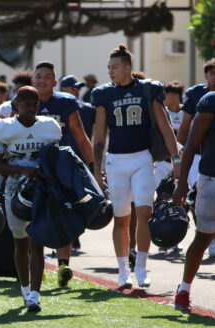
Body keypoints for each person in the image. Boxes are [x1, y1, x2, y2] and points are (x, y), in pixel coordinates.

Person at [91, 44, 179, 288]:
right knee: (121, 218)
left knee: (144, 213)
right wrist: (97, 171)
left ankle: (141, 266)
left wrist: (176, 159)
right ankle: (122, 270)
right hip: (116, 161)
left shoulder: (148, 89)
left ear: (127, 68)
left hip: (142, 158)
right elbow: (99, 136)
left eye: (115, 67)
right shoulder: (103, 94)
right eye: (108, 67)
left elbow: (165, 127)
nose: (110, 72)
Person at [0, 86, 62, 312]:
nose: (31, 108)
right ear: (16, 104)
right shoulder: (3, 127)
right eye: (26, 103)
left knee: (37, 242)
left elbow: (56, 159)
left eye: (35, 103)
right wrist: (23, 170)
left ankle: (35, 296)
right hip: (13, 190)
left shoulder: (49, 127)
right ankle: (24, 288)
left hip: (42, 190)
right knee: (20, 242)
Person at [31, 61, 94, 287]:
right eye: (38, 76)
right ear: (32, 79)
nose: (42, 80)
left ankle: (63, 265)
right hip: (32, 167)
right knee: (33, 217)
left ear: (55, 82)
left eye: (47, 77)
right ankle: (36, 265)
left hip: (61, 168)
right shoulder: (24, 100)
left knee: (63, 216)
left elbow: (80, 135)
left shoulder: (65, 102)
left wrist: (93, 167)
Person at [172, 91, 215, 312]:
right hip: (211, 178)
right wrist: (181, 184)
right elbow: (190, 145)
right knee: (203, 238)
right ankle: (184, 290)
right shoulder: (211, 101)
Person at [177, 58, 215, 257]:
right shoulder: (199, 95)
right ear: (206, 74)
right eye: (212, 72)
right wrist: (177, 155)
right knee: (194, 198)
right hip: (199, 157)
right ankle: (205, 233)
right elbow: (185, 127)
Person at [59, 75, 96, 250]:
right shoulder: (55, 106)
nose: (77, 90)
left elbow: (95, 135)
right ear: (62, 89)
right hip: (58, 160)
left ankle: (74, 234)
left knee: (78, 200)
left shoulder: (88, 109)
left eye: (78, 87)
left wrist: (95, 162)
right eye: (73, 87)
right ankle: (68, 237)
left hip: (79, 161)